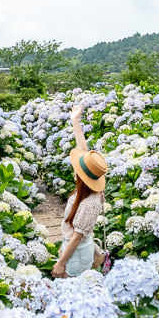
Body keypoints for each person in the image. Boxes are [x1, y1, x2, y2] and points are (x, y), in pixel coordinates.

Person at [51, 104, 108, 278]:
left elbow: (76, 238)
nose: (75, 169)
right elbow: (83, 149)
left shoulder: (90, 202)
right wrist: (75, 121)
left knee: (71, 290)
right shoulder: (88, 187)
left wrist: (61, 263)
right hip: (73, 246)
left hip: (77, 254)